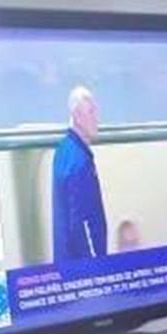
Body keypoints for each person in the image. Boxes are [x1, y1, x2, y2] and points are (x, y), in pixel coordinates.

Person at [51, 86, 107, 264]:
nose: (96, 119)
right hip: (84, 266)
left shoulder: (63, 150)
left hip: (66, 262)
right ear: (76, 116)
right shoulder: (80, 162)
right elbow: (81, 222)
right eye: (91, 112)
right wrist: (94, 265)